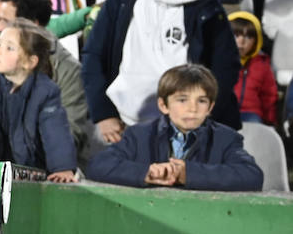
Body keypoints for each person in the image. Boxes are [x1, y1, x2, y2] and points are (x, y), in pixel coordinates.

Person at [82, 0, 240, 145]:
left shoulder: (204, 2)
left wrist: (205, 116)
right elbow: (93, 56)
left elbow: (225, 63)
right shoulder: (120, 0)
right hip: (124, 123)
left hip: (189, 124)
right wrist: (104, 113)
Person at [87, 64, 261, 190]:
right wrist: (145, 172)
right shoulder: (139, 135)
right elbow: (98, 165)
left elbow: (252, 175)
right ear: (163, 105)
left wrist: (189, 174)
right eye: (182, 100)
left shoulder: (226, 139)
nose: (192, 108)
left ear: (210, 108)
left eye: (201, 101)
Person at [0, 20, 77, 181]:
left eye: (9, 48)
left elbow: (55, 132)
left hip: (32, 173)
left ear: (30, 62)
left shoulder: (46, 91)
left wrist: (63, 167)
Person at [227, 12, 276, 125]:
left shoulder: (262, 65)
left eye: (248, 37)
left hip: (250, 113)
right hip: (223, 111)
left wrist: (270, 121)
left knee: (255, 124)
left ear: (256, 41)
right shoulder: (218, 60)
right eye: (236, 35)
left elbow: (269, 95)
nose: (241, 42)